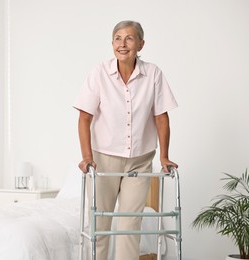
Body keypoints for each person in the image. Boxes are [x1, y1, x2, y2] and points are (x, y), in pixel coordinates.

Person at [73, 20, 178, 260]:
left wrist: (164, 156)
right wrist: (87, 156)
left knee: (130, 224)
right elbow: (84, 117)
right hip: (103, 160)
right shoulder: (99, 73)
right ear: (112, 44)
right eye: (118, 38)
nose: (123, 44)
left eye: (129, 38)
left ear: (141, 44)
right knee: (100, 222)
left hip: (140, 161)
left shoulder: (153, 74)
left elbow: (162, 117)